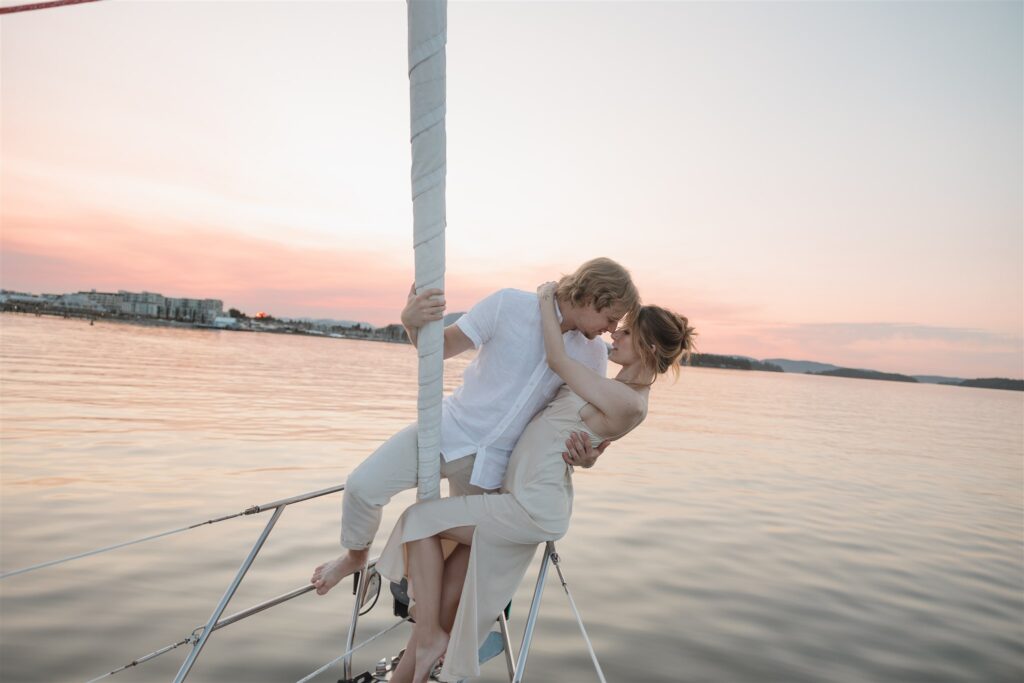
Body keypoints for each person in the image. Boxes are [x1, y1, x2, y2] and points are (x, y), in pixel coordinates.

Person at [376, 282, 696, 683]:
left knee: (418, 520)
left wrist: (547, 300)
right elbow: (571, 433)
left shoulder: (630, 402)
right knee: (444, 601)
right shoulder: (612, 387)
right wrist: (589, 459)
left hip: (529, 507)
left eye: (627, 331)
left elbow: (558, 360)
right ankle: (420, 658)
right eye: (618, 326)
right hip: (518, 497)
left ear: (648, 348)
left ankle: (429, 639)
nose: (615, 333)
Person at [311, 258, 640, 595]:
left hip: (498, 467)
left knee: (463, 558)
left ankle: (428, 633)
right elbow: (440, 347)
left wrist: (587, 458)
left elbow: (573, 422)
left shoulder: (595, 356)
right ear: (592, 295)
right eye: (610, 318)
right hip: (447, 431)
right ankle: (356, 555)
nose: (611, 329)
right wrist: (410, 323)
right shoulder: (508, 305)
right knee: (363, 486)